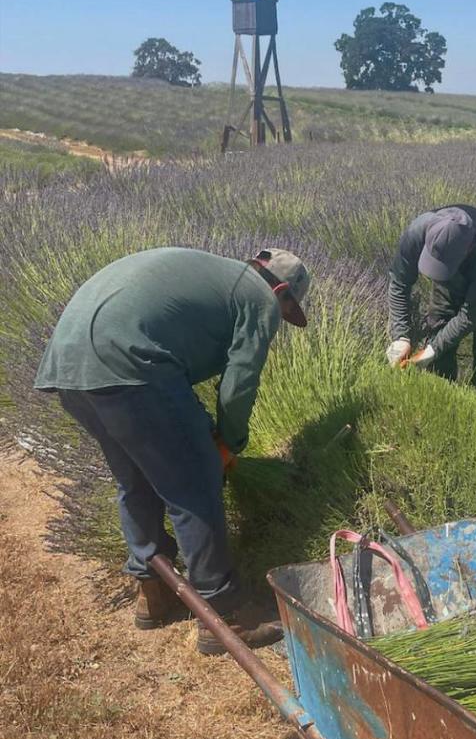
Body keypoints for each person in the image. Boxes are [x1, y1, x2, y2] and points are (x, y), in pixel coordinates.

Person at [34, 245, 310, 656]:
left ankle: (153, 590)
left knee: (137, 477)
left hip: (70, 366)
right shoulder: (258, 297)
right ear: (283, 291)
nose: (282, 317)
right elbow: (239, 383)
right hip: (130, 366)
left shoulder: (213, 272)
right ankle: (223, 614)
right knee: (194, 484)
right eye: (289, 307)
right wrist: (227, 444)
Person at [386, 205, 476, 399]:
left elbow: (469, 316)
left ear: (467, 248)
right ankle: (442, 400)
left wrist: (432, 350)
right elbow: (399, 282)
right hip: (453, 276)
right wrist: (401, 338)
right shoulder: (418, 230)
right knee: (437, 332)